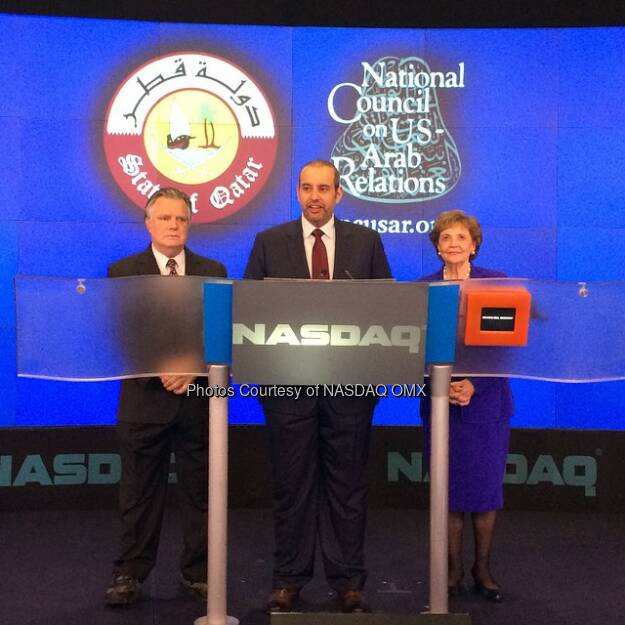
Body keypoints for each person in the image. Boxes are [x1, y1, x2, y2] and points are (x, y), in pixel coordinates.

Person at [244, 159, 392, 613]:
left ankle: (348, 581)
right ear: (297, 192)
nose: (314, 196)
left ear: (338, 194)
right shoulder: (269, 242)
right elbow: (250, 309)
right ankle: (289, 580)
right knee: (292, 485)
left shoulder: (366, 242)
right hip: (288, 387)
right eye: (307, 187)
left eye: (323, 188)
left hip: (350, 387)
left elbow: (386, 307)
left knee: (347, 487)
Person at [105, 187, 227, 606]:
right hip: (144, 401)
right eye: (166, 218)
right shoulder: (124, 271)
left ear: (189, 223)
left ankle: (199, 573)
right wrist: (162, 367)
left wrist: (191, 368)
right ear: (149, 223)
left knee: (200, 493)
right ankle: (130, 573)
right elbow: (122, 330)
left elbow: (218, 331)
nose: (174, 225)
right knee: (138, 494)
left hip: (196, 401)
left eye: (181, 218)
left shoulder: (213, 270)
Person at [420, 209, 512, 603]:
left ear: (474, 244)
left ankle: (483, 569)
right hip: (440, 402)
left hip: (487, 403)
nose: (453, 243)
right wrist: (444, 385)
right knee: (448, 491)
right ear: (438, 248)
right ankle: (453, 570)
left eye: (461, 237)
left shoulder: (499, 284)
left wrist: (474, 384)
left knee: (485, 492)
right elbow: (414, 345)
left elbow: (506, 348)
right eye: (445, 238)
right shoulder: (422, 289)